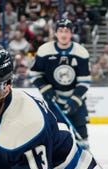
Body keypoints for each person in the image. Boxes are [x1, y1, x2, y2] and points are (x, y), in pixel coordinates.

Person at [30, 18, 92, 150]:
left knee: (81, 132)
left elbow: (84, 80)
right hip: (54, 100)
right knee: (59, 135)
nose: (64, 34)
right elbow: (35, 74)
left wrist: (75, 99)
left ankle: (85, 161)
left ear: (71, 33)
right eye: (61, 31)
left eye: (67, 31)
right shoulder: (44, 50)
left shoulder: (81, 52)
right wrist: (46, 90)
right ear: (56, 33)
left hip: (77, 99)